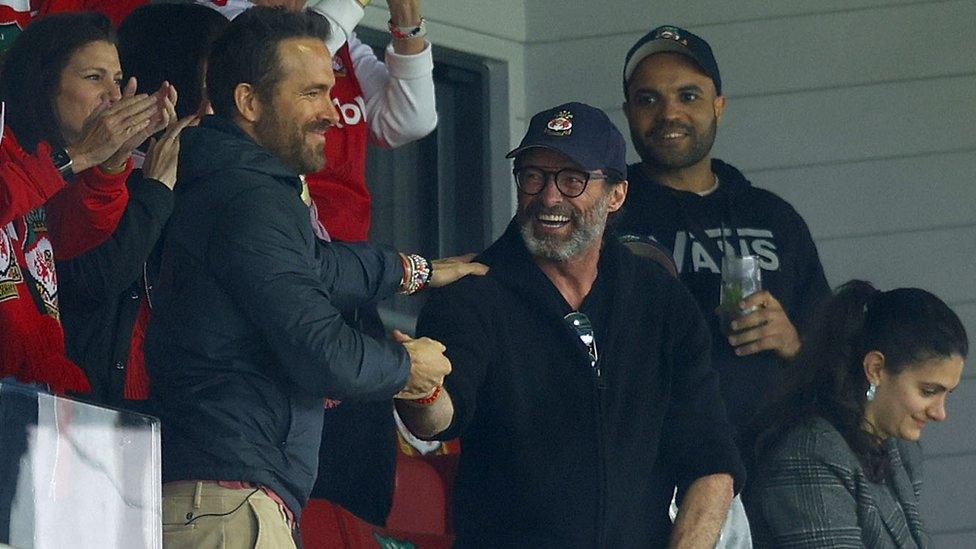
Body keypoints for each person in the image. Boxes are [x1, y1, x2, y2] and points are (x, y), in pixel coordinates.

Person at [144, 8, 483, 547]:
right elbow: (323, 353)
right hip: (228, 505)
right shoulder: (250, 197)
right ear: (249, 102)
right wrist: (408, 366)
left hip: (227, 499)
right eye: (312, 94)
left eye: (331, 91)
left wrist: (415, 270)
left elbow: (321, 268)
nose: (333, 113)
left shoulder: (243, 185)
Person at [397, 102, 745, 547]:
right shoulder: (475, 290)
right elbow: (439, 417)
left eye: (572, 179)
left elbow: (711, 460)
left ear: (616, 194)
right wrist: (416, 385)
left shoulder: (660, 300)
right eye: (533, 176)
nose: (548, 196)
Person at [616, 25, 831, 433]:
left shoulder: (773, 217)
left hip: (775, 459)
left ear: (719, 105)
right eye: (648, 99)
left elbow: (835, 353)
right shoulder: (604, 212)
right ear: (628, 112)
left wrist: (791, 341)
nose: (669, 114)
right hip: (654, 461)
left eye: (688, 96)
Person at [54, 3, 225, 409]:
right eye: (212, 85)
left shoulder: (215, 172)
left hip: (180, 413)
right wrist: (153, 188)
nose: (113, 95)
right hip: (96, 406)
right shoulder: (83, 168)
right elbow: (96, 278)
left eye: (116, 79)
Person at [0, 11, 170, 394]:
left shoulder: (44, 158)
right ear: (44, 84)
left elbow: (70, 240)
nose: (113, 96)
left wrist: (109, 162)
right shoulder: (10, 145)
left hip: (34, 390)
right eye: (94, 78)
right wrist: (76, 157)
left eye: (118, 80)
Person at [744, 280, 967, 547]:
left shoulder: (898, 449)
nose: (940, 413)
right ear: (875, 368)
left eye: (947, 394)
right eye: (928, 391)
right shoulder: (809, 454)